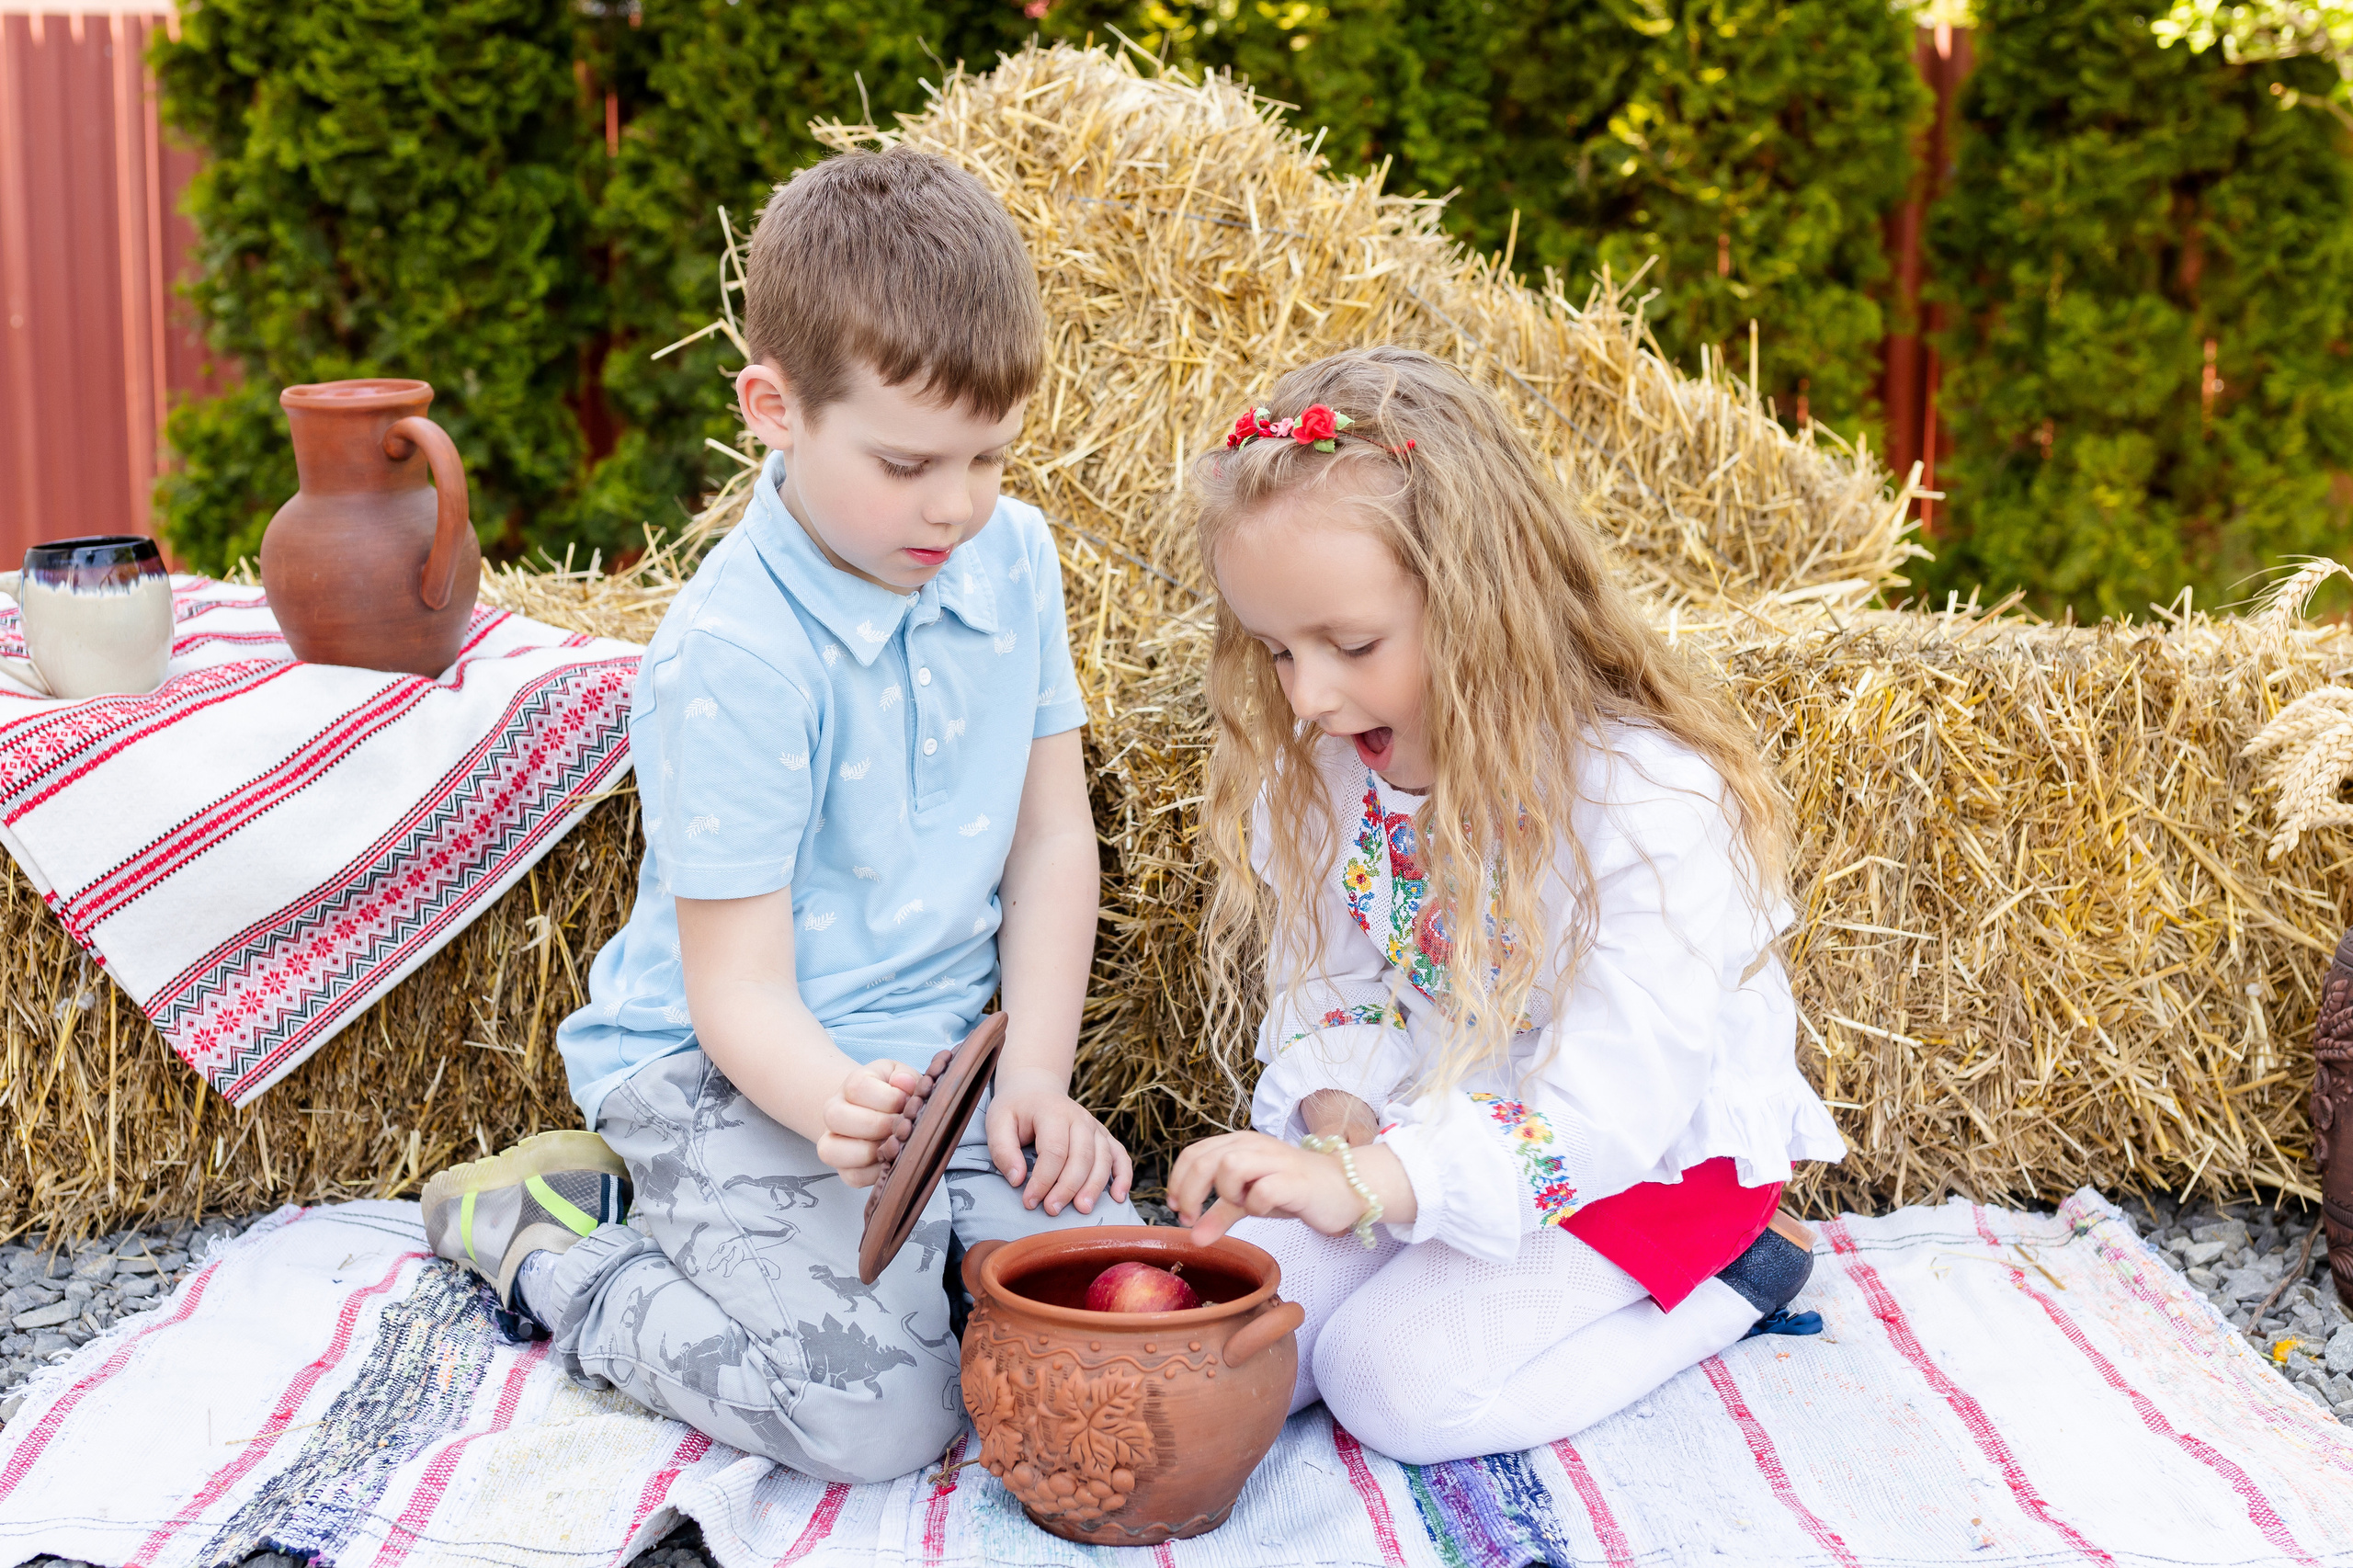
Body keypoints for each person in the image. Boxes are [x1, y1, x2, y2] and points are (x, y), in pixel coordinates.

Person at [415, 146, 1136, 1483]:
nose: (959, 504)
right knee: (879, 1417)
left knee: (1105, 1313)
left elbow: (1051, 841)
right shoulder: (736, 656)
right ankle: (553, 1247)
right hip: (731, 1067)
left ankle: (877, 1237)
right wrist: (834, 1112)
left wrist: (1033, 1075)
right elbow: (736, 989)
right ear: (773, 407)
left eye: (990, 454)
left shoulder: (1012, 558)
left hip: (938, 1068)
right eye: (911, 460)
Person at [1167, 347, 1845, 1466]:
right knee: (1243, 1311)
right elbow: (1328, 977)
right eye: (1277, 650)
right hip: (1444, 1114)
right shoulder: (1336, 769)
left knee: (1386, 1382)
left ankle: (1742, 1278)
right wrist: (1336, 1126)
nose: (1311, 696)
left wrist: (1381, 1182)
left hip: (1643, 1169)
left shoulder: (1643, 797)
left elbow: (1614, 1101)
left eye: (1351, 645)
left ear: (1486, 601)